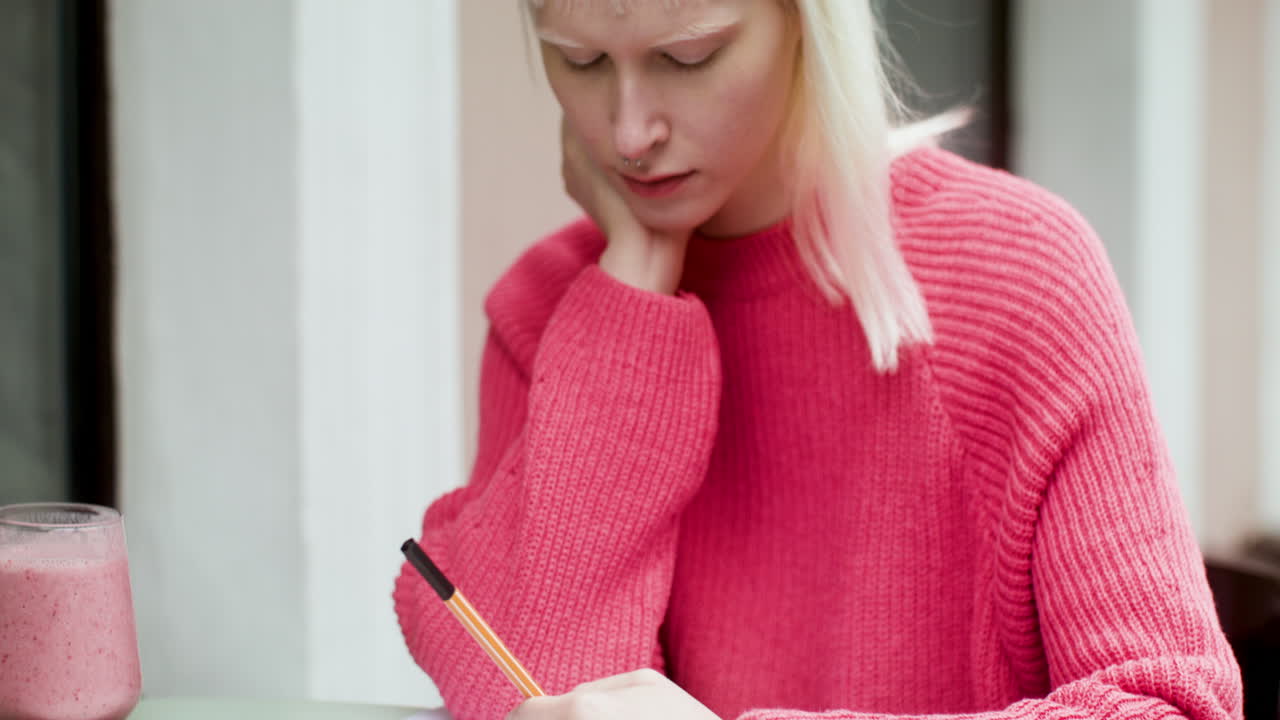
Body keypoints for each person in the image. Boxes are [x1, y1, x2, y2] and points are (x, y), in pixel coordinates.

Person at [393, 2, 1243, 720]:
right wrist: (634, 290)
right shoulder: (547, 313)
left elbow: (1171, 706)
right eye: (578, 61)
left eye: (690, 57)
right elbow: (534, 685)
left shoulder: (1018, 274)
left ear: (806, 21)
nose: (630, 132)